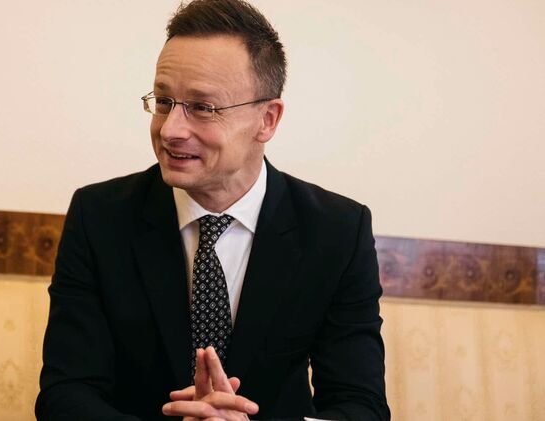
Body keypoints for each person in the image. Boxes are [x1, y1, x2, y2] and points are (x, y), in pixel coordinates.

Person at [35, 0, 390, 420]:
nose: (170, 130)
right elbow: (66, 395)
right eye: (164, 101)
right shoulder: (99, 217)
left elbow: (360, 406)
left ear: (268, 119)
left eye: (203, 108)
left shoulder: (337, 231)